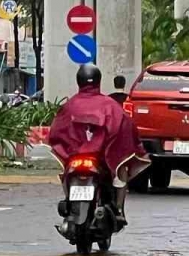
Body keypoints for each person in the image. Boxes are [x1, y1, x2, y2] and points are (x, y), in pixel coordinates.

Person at [48, 64, 145, 224]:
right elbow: (126, 128)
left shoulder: (69, 105)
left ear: (78, 81)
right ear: (99, 81)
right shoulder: (110, 105)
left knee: (65, 172)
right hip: (102, 157)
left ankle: (68, 200)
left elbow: (56, 132)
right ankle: (119, 210)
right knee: (120, 171)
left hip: (75, 157)